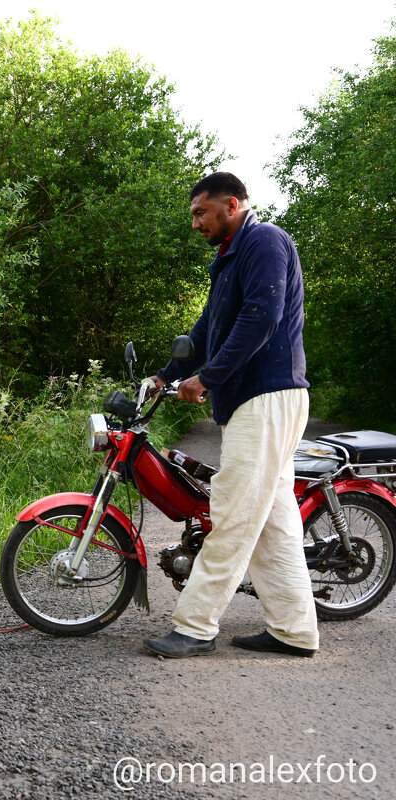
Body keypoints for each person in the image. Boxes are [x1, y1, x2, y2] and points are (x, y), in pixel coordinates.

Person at [142, 172, 318, 659]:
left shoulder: (265, 241)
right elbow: (204, 331)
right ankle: (294, 630)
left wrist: (208, 378)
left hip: (268, 396)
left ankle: (195, 626)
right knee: (273, 523)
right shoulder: (228, 261)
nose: (195, 223)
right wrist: (164, 375)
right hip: (255, 402)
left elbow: (262, 317)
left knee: (233, 513)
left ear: (232, 205)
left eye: (201, 212)